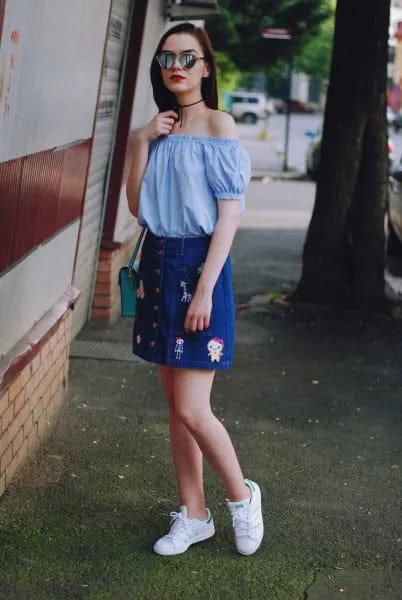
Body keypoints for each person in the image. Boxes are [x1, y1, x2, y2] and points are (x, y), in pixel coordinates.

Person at [126, 22, 264, 557]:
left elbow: (228, 217)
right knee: (176, 408)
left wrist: (205, 289)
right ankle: (194, 514)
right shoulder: (160, 130)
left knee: (192, 407)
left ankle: (241, 497)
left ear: (206, 65)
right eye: (166, 59)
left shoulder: (219, 126)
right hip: (159, 262)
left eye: (187, 56)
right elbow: (137, 206)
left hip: (197, 267)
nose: (176, 66)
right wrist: (141, 139)